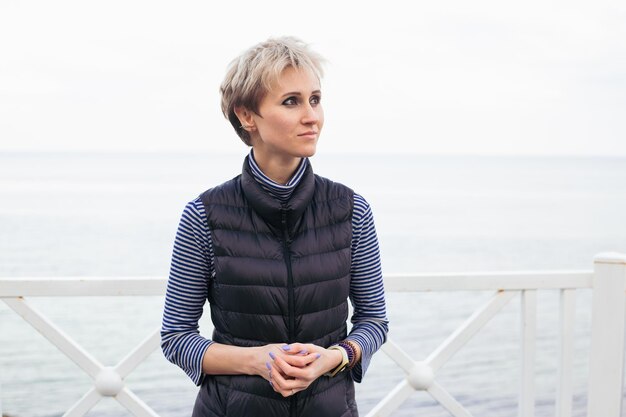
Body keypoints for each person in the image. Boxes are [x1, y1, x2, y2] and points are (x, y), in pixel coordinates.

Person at [161, 36, 388, 417]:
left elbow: (374, 321)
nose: (311, 116)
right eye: (291, 101)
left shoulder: (352, 209)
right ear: (247, 115)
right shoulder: (204, 215)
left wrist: (334, 357)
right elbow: (176, 338)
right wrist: (256, 360)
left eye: (315, 99)